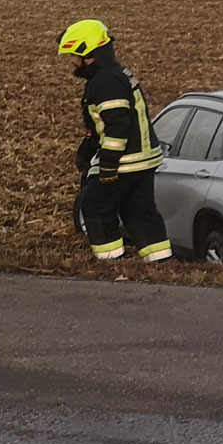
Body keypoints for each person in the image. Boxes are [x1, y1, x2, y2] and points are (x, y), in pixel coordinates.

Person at [59, 20, 171, 264]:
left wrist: (108, 164)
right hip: (144, 159)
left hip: (126, 161)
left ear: (87, 54)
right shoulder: (115, 74)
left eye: (73, 55)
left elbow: (118, 124)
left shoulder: (105, 82)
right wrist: (88, 148)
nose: (71, 61)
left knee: (95, 207)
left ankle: (110, 263)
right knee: (139, 212)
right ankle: (160, 262)